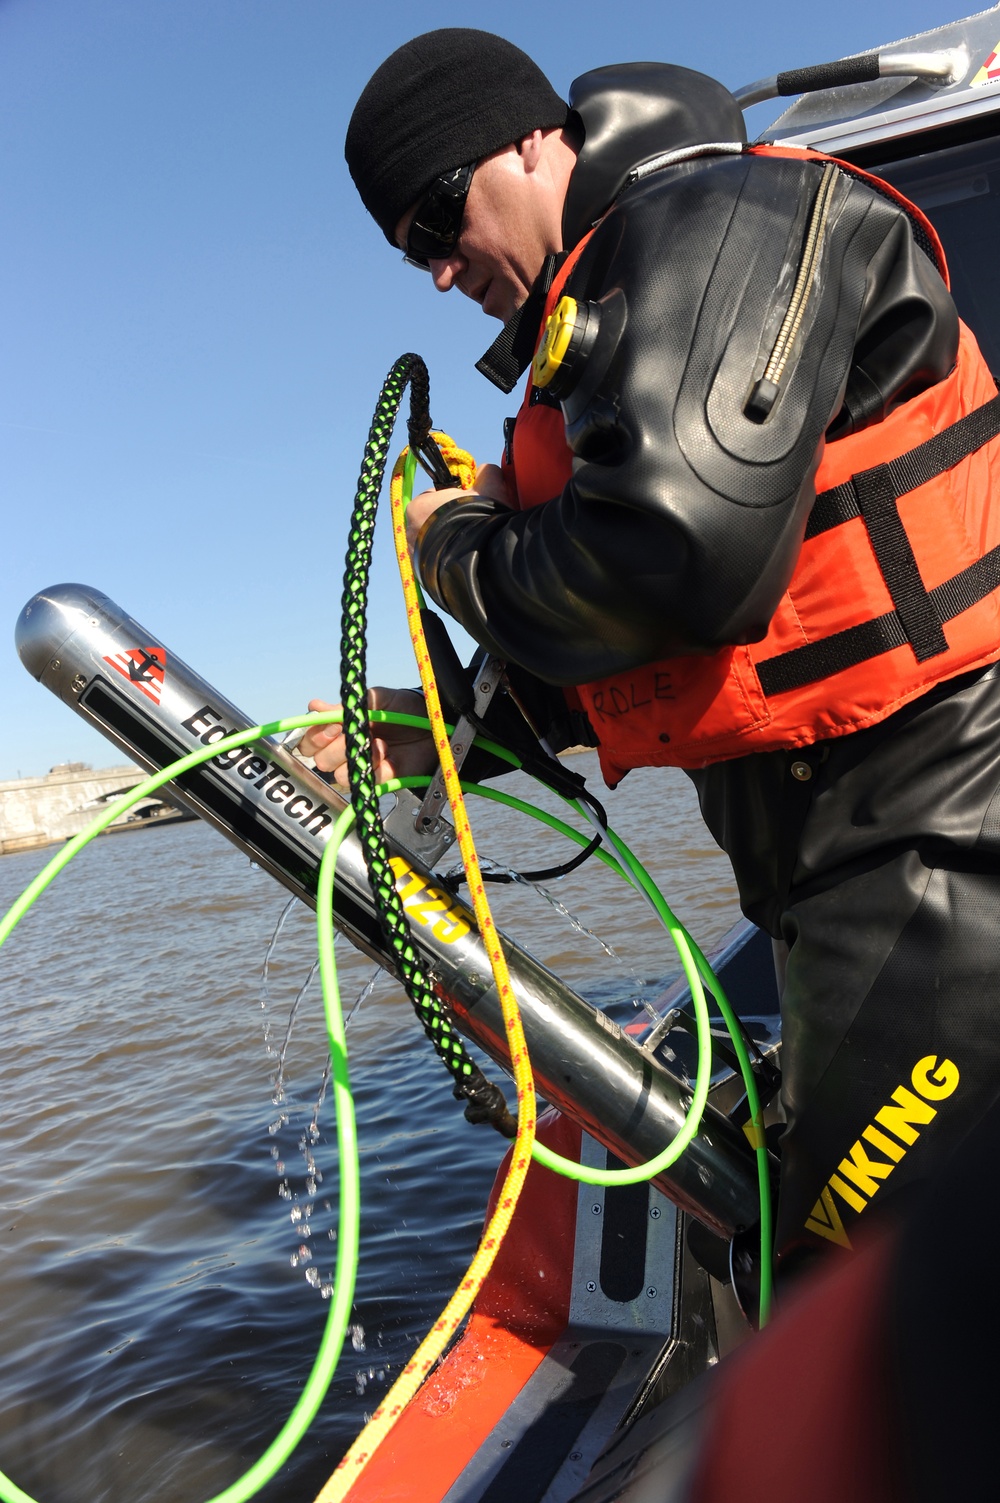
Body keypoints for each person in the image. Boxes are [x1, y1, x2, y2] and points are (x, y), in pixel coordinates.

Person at [303, 28, 1000, 1274]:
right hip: (840, 862)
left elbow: (671, 565)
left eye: (434, 218)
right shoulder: (618, 308)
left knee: (861, 1299)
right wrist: (437, 735)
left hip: (942, 847)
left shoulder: (725, 217)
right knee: (826, 1275)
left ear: (526, 141)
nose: (435, 268)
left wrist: (454, 540)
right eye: (405, 249)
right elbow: (665, 666)